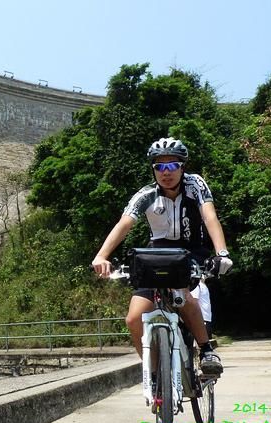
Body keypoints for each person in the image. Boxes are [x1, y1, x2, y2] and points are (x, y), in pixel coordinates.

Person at [91, 137, 232, 376]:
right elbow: (124, 224)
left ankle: (206, 350)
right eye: (160, 167)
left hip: (191, 251)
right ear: (153, 170)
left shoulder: (195, 185)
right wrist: (101, 256)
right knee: (134, 318)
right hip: (157, 253)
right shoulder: (146, 194)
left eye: (173, 165)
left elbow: (210, 217)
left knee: (182, 295)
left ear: (182, 167)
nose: (166, 172)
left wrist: (222, 253)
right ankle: (155, 375)